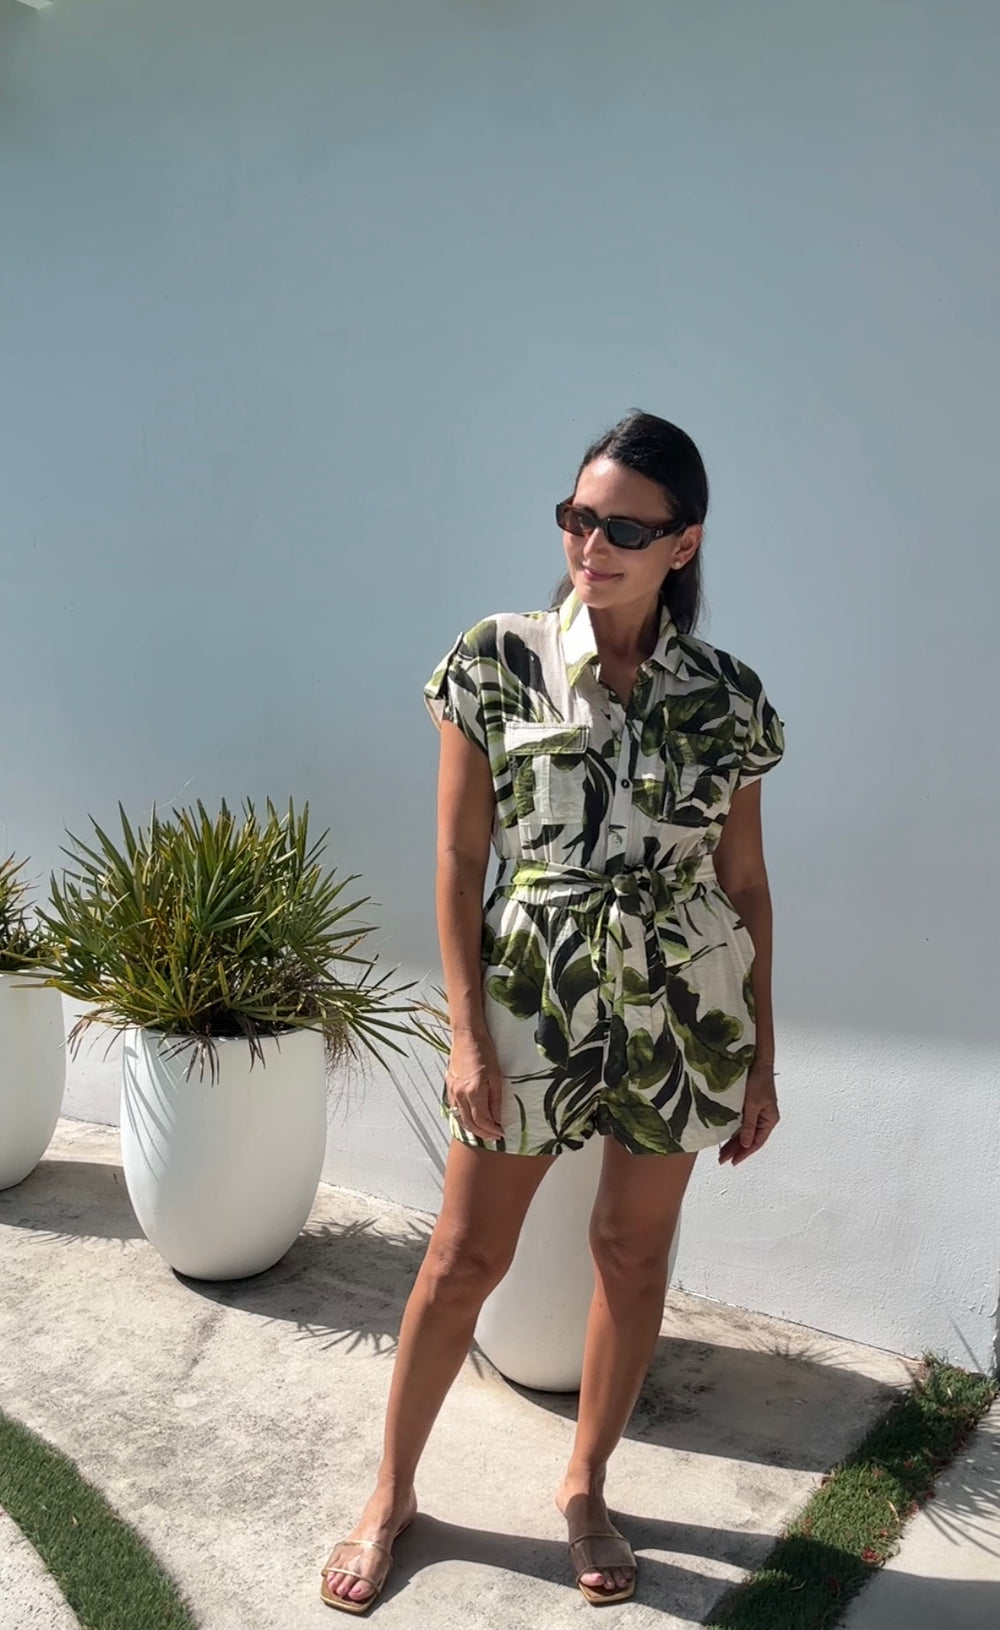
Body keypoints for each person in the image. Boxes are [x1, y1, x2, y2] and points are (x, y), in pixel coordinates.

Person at [320, 410, 786, 1613]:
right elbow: (456, 854)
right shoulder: (497, 657)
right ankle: (391, 1491)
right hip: (532, 994)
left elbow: (742, 881)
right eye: (578, 517)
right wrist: (465, 1028)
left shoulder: (726, 698)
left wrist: (763, 1056)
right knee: (463, 1254)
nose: (593, 541)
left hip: (687, 1008)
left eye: (625, 525)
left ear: (682, 544)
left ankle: (585, 1483)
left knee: (631, 1257)